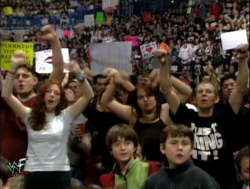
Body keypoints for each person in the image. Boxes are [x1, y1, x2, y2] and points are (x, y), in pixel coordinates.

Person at [157, 43, 249, 189]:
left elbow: (241, 88)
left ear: (216, 98)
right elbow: (167, 90)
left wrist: (243, 60)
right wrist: (162, 65)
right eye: (200, 92)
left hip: (224, 184)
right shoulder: (187, 117)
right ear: (194, 98)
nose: (204, 94)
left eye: (208, 91)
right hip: (192, 185)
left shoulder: (225, 115)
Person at [1, 51, 94, 189]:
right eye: (48, 92)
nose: (52, 95)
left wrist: (80, 74)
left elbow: (88, 95)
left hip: (60, 174)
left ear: (60, 99)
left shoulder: (66, 115)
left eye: (56, 93)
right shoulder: (29, 115)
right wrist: (13, 66)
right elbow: (7, 95)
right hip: (33, 174)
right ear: (42, 95)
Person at [0, 24, 65, 189]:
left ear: (35, 80)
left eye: (25, 76)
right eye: (17, 76)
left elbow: (58, 70)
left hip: (32, 172)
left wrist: (55, 41)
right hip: (5, 173)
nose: (20, 79)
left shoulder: (42, 102)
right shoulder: (5, 99)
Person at [101, 68, 192, 163]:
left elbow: (187, 92)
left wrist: (164, 75)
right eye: (140, 97)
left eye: (149, 95)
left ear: (156, 97)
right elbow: (107, 101)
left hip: (161, 169)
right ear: (136, 101)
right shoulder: (133, 115)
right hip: (137, 168)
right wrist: (114, 82)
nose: (145, 99)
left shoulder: (165, 114)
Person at [141, 124, 220, 189]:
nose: (180, 148)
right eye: (174, 143)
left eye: (185, 143)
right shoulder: (152, 182)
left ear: (191, 149)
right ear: (163, 148)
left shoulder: (203, 181)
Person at [100, 123, 160, 189]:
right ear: (111, 150)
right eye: (117, 144)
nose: (122, 148)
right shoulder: (108, 179)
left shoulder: (151, 169)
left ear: (134, 147)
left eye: (127, 143)